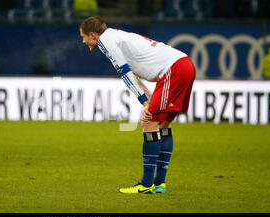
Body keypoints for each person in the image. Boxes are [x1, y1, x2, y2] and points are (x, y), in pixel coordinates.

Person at [79, 17, 196, 194]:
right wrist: (147, 99)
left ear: (93, 35)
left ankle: (146, 184)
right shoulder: (116, 36)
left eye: (84, 37)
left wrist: (144, 102)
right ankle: (159, 184)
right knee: (163, 124)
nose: (83, 41)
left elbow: (124, 72)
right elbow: (134, 75)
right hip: (184, 65)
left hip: (175, 70)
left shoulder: (105, 41)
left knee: (149, 121)